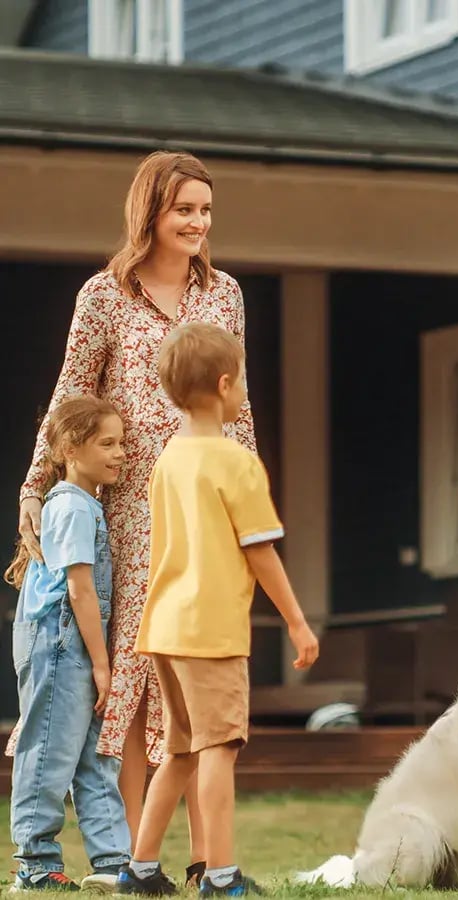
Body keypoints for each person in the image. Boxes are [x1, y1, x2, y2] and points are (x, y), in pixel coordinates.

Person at [15, 150, 258, 886]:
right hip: (131, 512)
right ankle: (128, 858)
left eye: (206, 211)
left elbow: (238, 402)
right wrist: (36, 483)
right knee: (139, 677)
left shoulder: (226, 295)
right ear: (149, 210)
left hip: (207, 511)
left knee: (202, 678)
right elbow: (69, 395)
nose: (197, 223)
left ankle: (202, 856)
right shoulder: (103, 297)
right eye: (184, 209)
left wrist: (249, 503)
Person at [116, 322, 319, 897]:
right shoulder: (237, 463)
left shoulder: (168, 460)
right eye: (244, 380)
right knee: (219, 750)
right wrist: (298, 623)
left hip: (163, 626)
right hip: (212, 633)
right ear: (227, 384)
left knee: (178, 751)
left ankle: (140, 870)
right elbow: (261, 552)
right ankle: (221, 876)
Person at [6, 396, 132, 891]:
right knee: (50, 752)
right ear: (70, 449)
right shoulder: (72, 506)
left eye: (122, 442)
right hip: (61, 644)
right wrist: (102, 664)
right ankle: (35, 864)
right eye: (107, 443)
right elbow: (79, 589)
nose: (121, 452)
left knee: (97, 754)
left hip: (77, 646)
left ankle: (111, 861)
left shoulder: (84, 503)